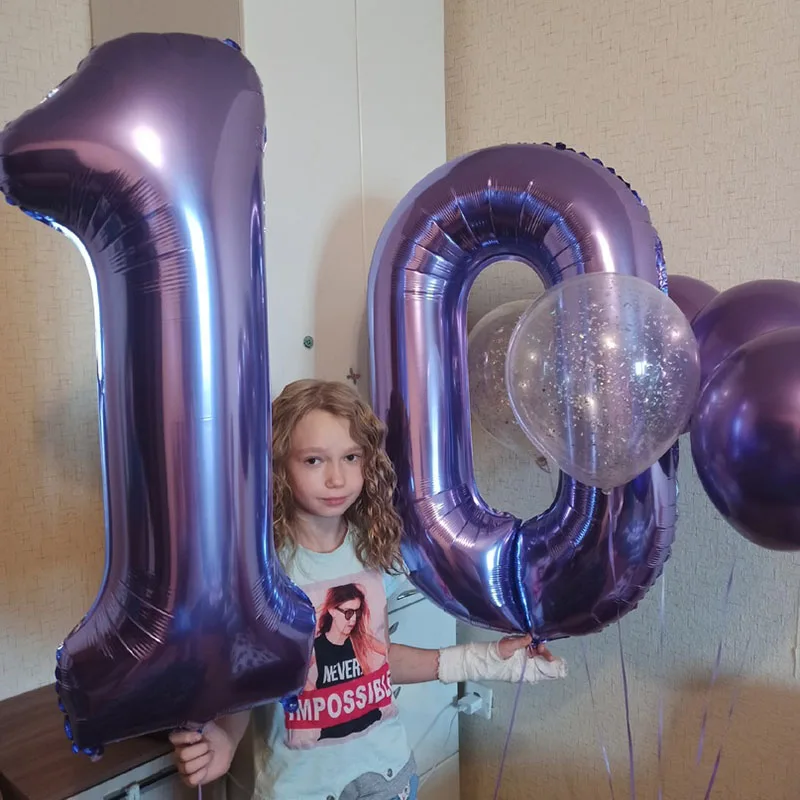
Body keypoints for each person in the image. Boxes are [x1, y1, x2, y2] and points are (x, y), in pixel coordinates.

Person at [170, 380, 566, 799]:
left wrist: (486, 659)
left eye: (351, 457)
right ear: (278, 466)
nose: (337, 477)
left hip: (389, 774)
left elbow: (376, 660)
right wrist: (226, 741)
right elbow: (248, 677)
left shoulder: (372, 549)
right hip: (301, 789)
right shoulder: (260, 568)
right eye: (313, 460)